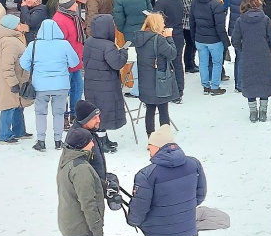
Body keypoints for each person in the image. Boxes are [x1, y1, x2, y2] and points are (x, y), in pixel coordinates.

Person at [127, 125, 207, 236]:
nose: (148, 149)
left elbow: (140, 209)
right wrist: (182, 211)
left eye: (150, 146)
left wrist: (133, 221)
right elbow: (200, 196)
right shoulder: (193, 164)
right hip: (186, 229)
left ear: (159, 146)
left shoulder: (147, 175)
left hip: (160, 235)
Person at [57, 125, 105, 236]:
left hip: (69, 226)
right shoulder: (81, 169)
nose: (93, 145)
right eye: (90, 141)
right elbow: (88, 204)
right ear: (82, 145)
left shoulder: (67, 159)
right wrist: (97, 229)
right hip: (82, 229)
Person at [21, 19, 79, 151]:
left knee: (40, 113)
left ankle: (41, 141)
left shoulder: (34, 45)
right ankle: (58, 141)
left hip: (40, 86)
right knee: (59, 113)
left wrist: (36, 68)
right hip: (61, 84)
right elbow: (74, 62)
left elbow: (23, 63)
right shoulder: (64, 44)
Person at [81, 15, 127, 151]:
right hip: (105, 85)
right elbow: (117, 63)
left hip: (92, 83)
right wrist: (123, 52)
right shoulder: (108, 45)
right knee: (104, 113)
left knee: (97, 112)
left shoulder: (89, 41)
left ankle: (103, 139)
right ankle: (101, 143)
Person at [231, 0, 271, 122]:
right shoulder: (265, 19)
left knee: (250, 82)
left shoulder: (241, 20)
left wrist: (244, 49)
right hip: (264, 55)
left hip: (248, 55)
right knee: (264, 82)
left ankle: (253, 112)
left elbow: (235, 40)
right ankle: (263, 112)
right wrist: (266, 48)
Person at [134, 13, 178, 136]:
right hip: (158, 80)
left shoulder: (139, 38)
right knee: (163, 110)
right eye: (162, 22)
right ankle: (165, 137)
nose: (164, 24)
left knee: (150, 109)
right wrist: (169, 37)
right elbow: (172, 53)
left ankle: (150, 138)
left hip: (145, 80)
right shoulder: (158, 40)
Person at [0, 14, 32, 144]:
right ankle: (4, 134)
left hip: (13, 79)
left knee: (17, 106)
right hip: (10, 81)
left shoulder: (8, 39)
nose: (21, 25)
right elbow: (7, 66)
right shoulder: (10, 42)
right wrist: (13, 83)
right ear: (12, 27)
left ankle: (19, 130)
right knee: (8, 107)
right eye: (18, 24)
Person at [189, 0, 229, 95]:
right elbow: (220, 26)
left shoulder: (195, 0)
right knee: (217, 63)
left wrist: (194, 37)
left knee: (203, 62)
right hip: (214, 40)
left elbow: (192, 21)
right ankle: (215, 86)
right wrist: (225, 41)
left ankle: (205, 86)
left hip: (200, 38)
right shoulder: (216, 4)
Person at [152, 0, 186, 102]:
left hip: (166, 35)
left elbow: (156, 20)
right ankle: (179, 91)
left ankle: (169, 91)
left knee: (166, 64)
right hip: (178, 33)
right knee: (177, 62)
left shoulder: (161, 2)